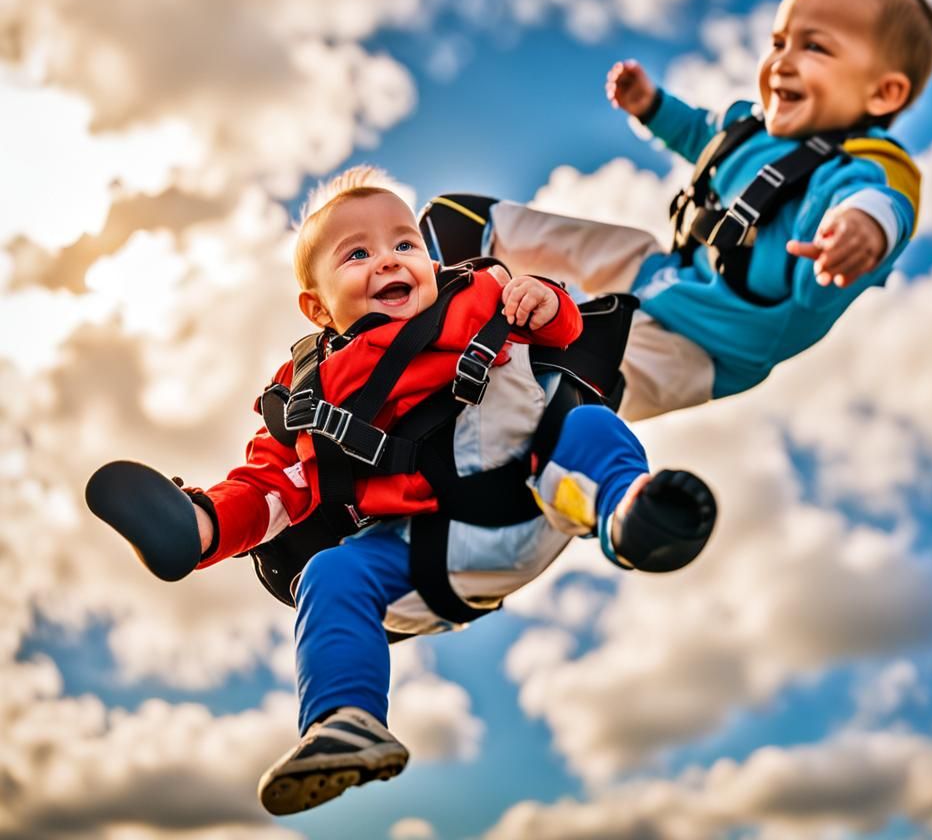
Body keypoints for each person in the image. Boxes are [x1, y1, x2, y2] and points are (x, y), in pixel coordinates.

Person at [86, 167, 716, 816]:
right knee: (329, 574)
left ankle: (632, 517)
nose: (388, 259)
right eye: (357, 253)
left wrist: (544, 299)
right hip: (428, 552)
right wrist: (205, 523)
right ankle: (344, 723)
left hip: (541, 487)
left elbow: (563, 334)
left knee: (587, 423)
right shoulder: (310, 390)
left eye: (405, 244)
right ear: (318, 306)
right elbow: (274, 484)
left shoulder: (480, 290)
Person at [422, 0, 932, 421]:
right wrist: (650, 105)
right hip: (659, 271)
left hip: (702, 342)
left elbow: (881, 199)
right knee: (468, 215)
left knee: (582, 373)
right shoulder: (749, 128)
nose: (782, 61)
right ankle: (432, 266)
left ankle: (542, 441)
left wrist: (860, 232)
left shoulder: (856, 170)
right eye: (780, 42)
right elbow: (698, 133)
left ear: (883, 92)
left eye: (815, 47)